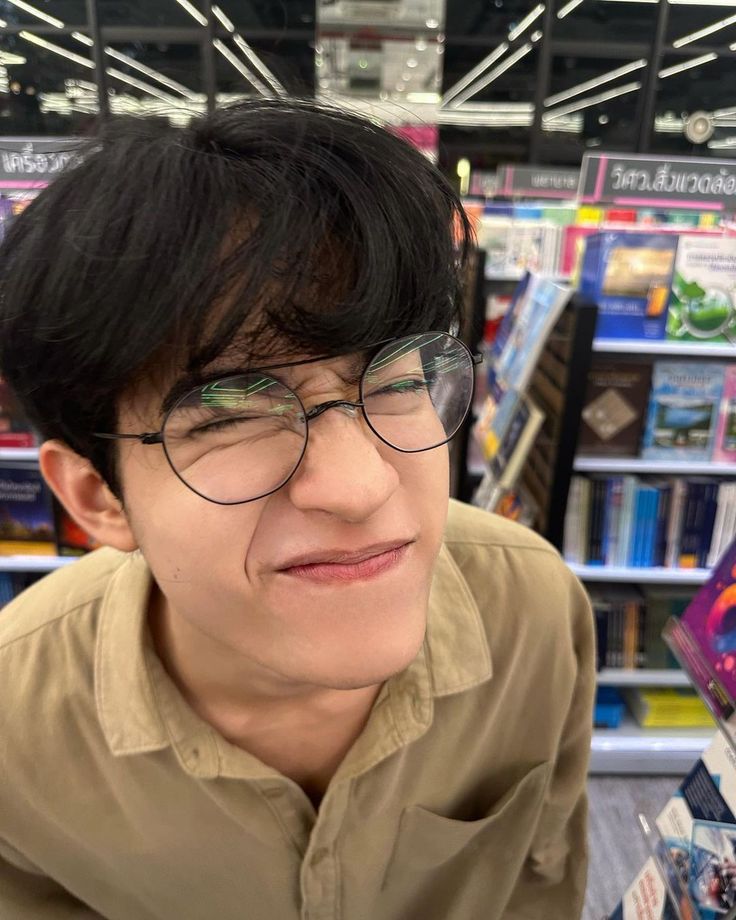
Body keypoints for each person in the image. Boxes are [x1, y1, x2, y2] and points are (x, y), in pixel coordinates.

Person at [0, 99, 595, 920]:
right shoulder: (14, 730)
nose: (362, 486)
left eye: (396, 380)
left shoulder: (534, 614)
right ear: (98, 497)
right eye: (234, 412)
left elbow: (540, 880)